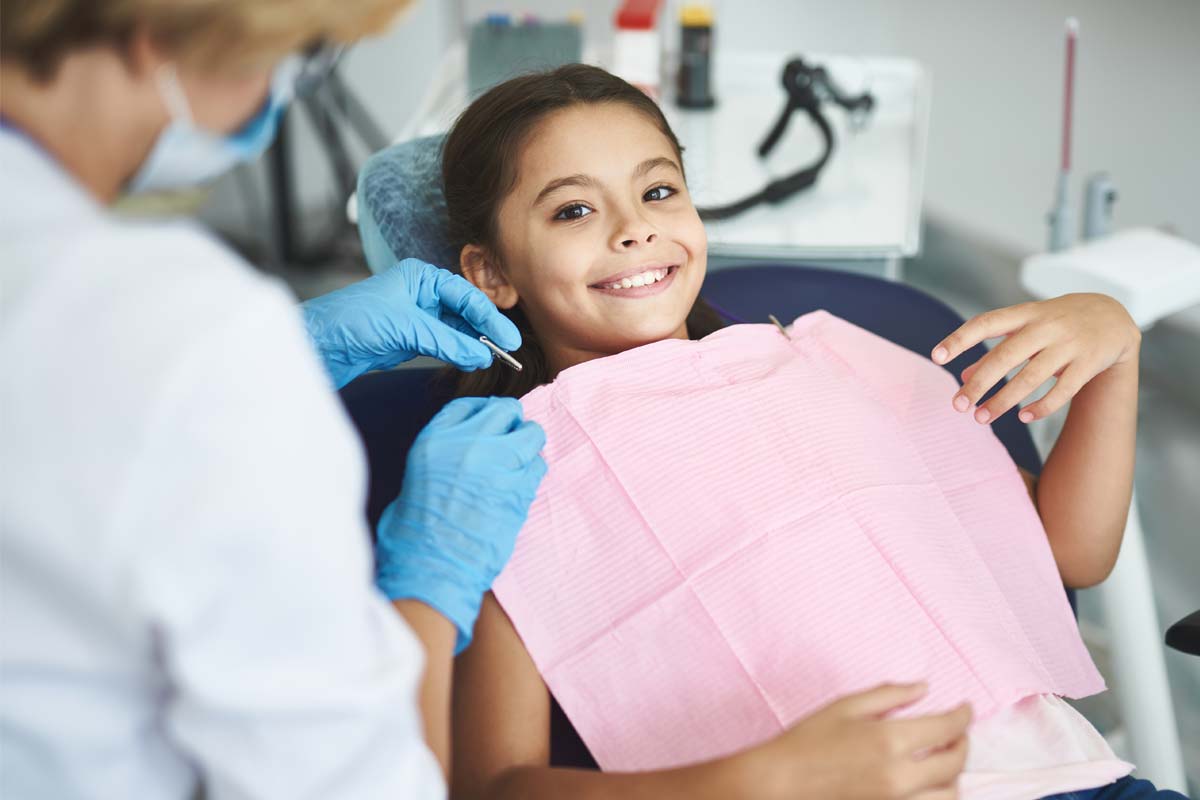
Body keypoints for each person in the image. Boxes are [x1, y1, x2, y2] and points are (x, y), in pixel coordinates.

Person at [432, 65, 1185, 800]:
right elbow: (492, 784)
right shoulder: (508, 471)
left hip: (1069, 780)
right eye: (574, 210)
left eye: (658, 191)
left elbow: (1071, 552)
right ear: (491, 272)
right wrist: (759, 782)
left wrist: (1116, 354)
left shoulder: (830, 364)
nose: (635, 230)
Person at [0, 2, 545, 798]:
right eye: (293, 55)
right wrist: (430, 587)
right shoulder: (184, 338)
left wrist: (299, 343)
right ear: (165, 36)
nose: (279, 94)